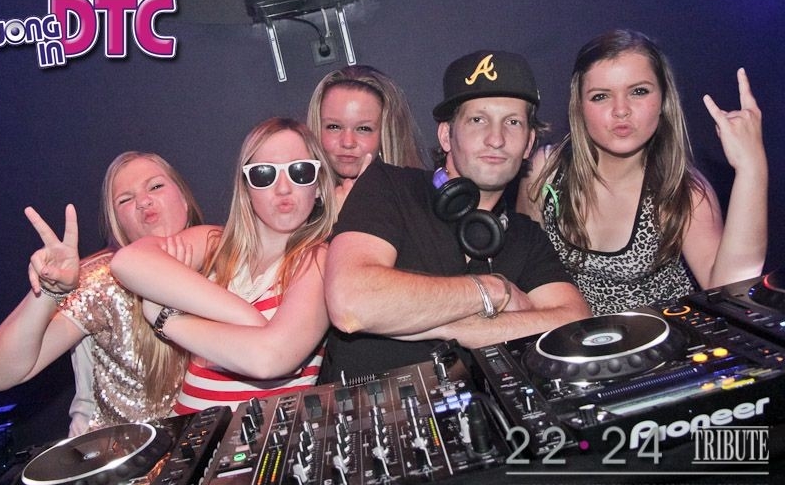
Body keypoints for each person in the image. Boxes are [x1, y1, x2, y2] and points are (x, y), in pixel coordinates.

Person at [321, 51, 592, 381]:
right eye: (478, 120)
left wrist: (445, 323)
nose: (496, 139)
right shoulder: (388, 186)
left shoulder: (527, 236)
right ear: (446, 135)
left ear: (528, 144)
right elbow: (351, 305)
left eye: (513, 122)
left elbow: (575, 325)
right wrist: (493, 290)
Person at [516, 29, 767, 315]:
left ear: (663, 100)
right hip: (573, 340)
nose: (621, 110)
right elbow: (524, 269)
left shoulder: (682, 191)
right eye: (601, 96)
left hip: (665, 340)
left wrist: (751, 168)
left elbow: (729, 292)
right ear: (580, 106)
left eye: (638, 91)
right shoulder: (546, 170)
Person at [110, 117, 338, 414]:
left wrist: (168, 321)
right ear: (246, 189)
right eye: (264, 174)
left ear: (318, 186)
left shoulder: (318, 259)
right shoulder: (215, 244)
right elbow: (127, 261)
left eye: (300, 172)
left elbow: (269, 359)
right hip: (188, 436)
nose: (283, 188)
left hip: (260, 441)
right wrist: (250, 320)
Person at [0, 152, 203, 434]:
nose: (143, 201)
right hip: (118, 454)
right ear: (117, 223)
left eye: (155, 186)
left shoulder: (222, 262)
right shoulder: (104, 281)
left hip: (201, 446)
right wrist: (49, 292)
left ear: (184, 198)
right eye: (125, 200)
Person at [307, 65, 425, 207]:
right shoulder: (298, 208)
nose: (348, 142)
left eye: (363, 129)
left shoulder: (416, 202)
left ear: (386, 134)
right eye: (334, 127)